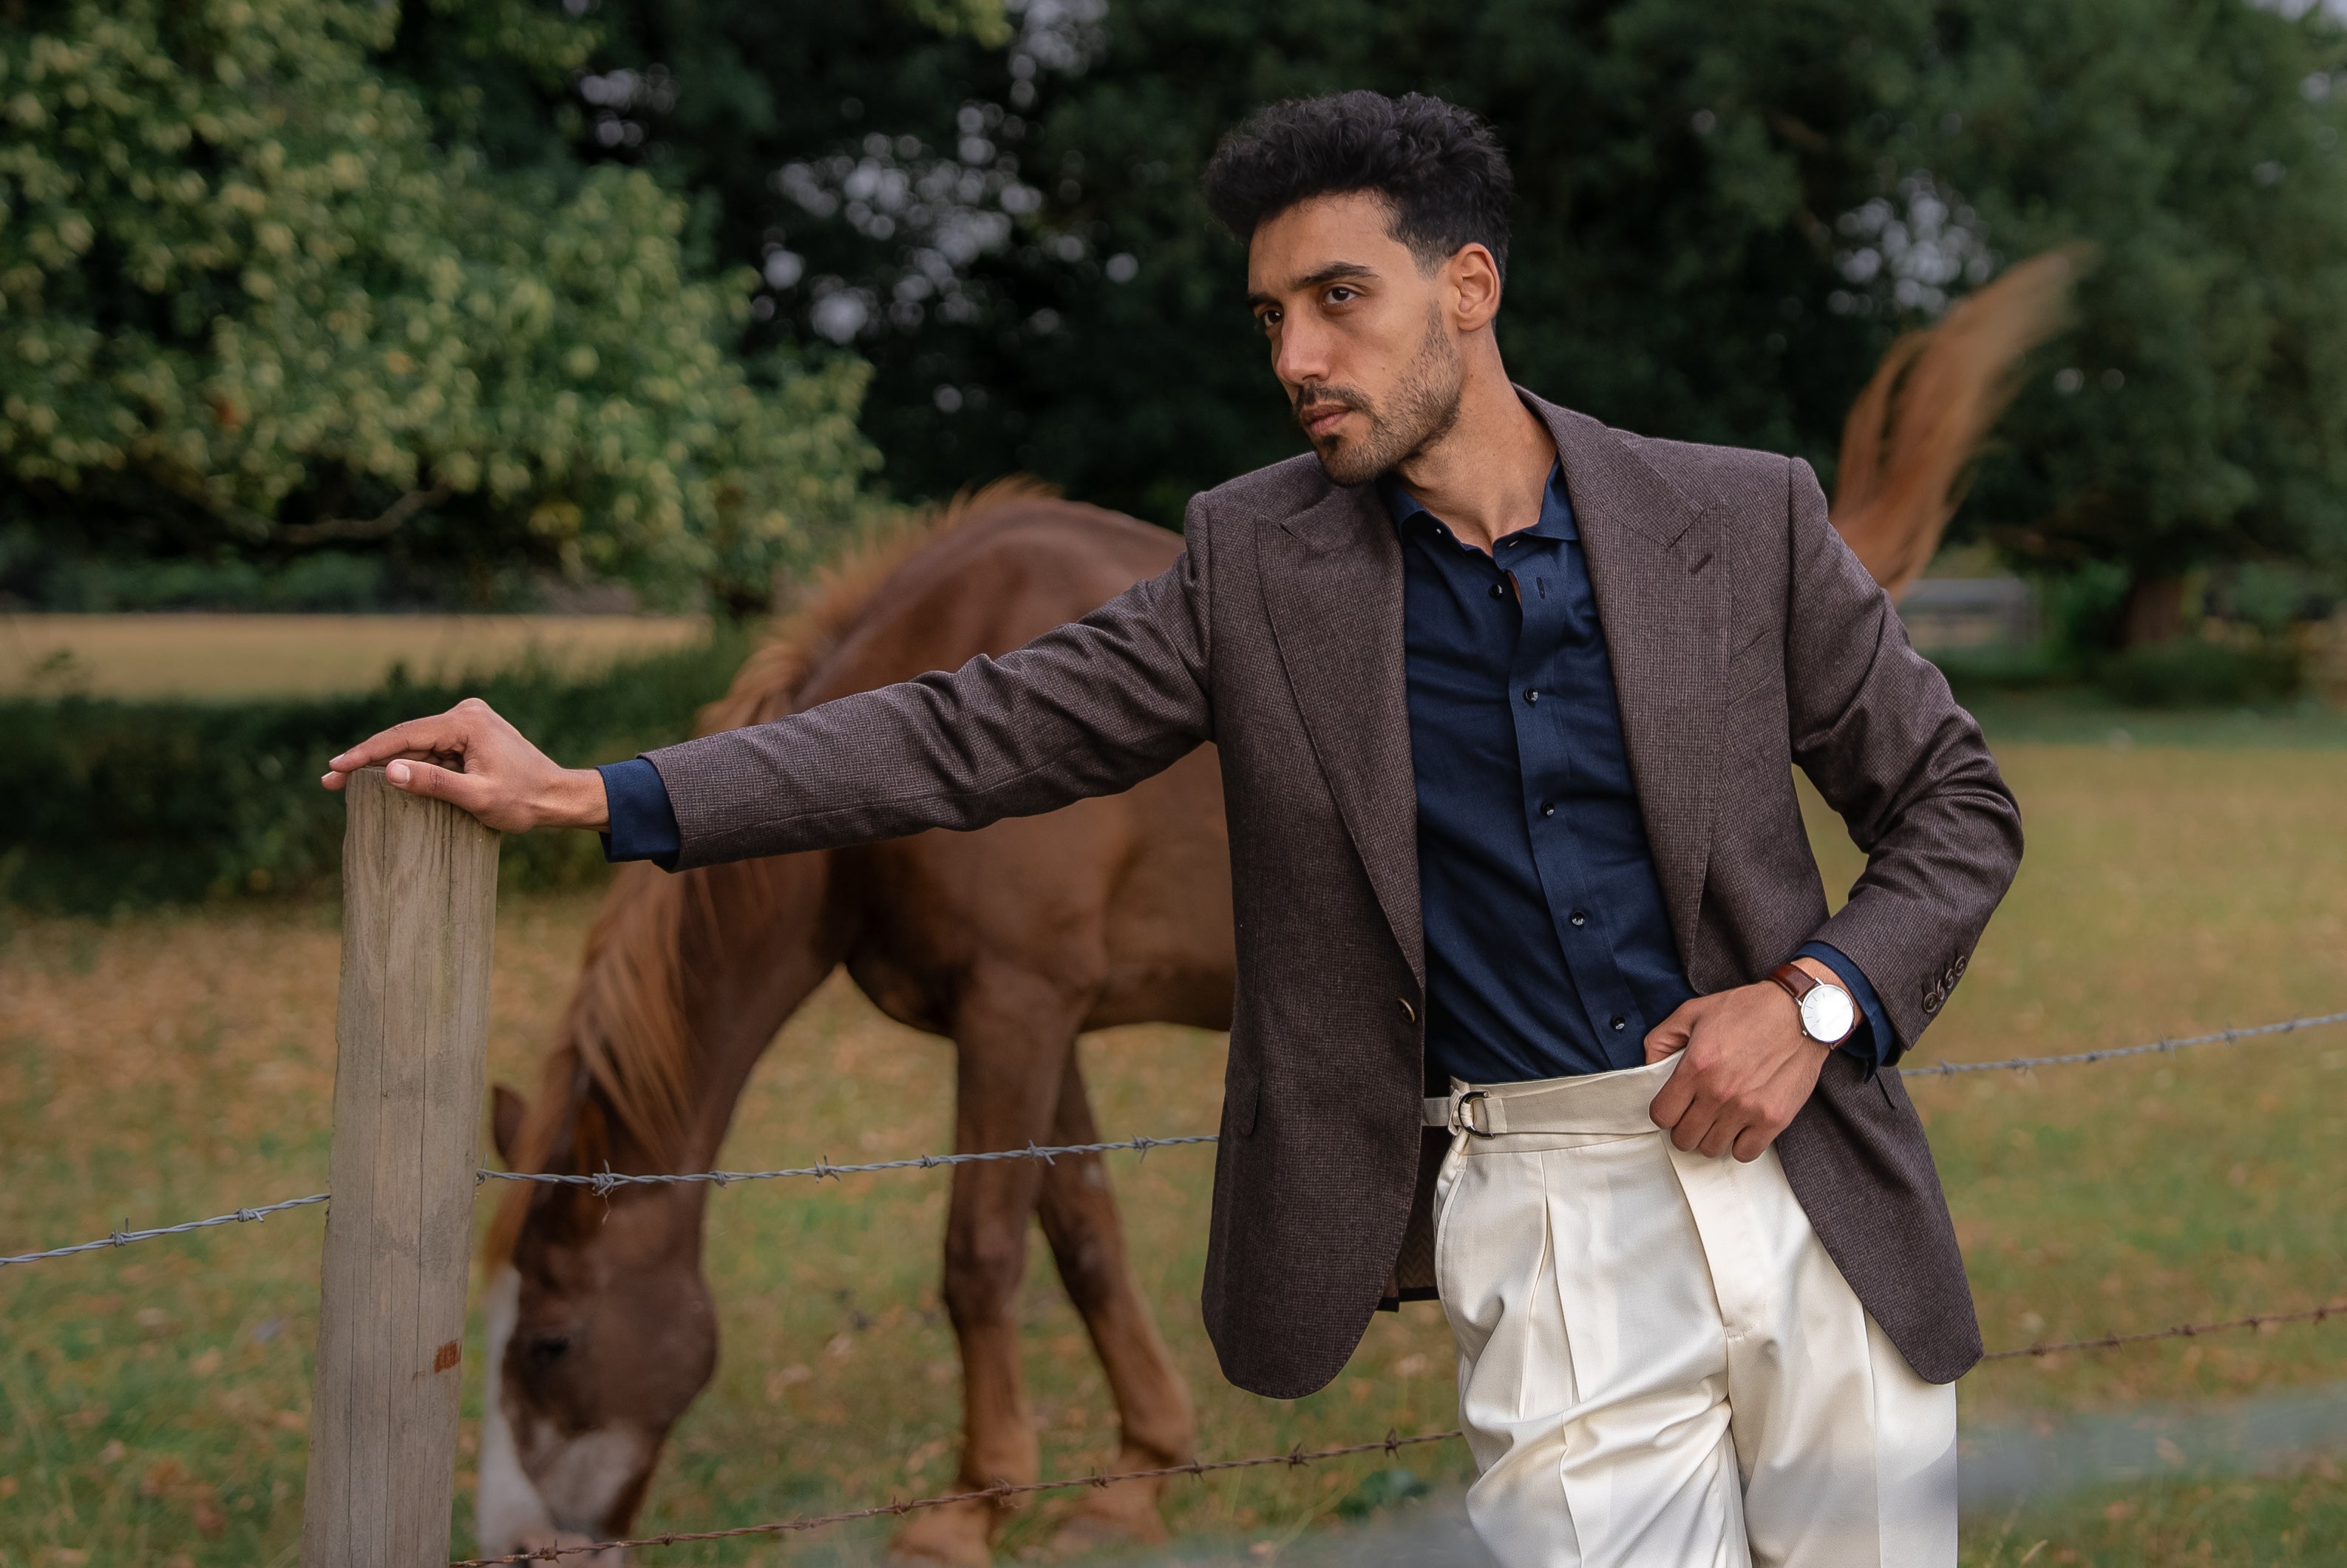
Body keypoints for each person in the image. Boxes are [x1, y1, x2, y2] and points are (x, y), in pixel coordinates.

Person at [325, 91, 2019, 1568]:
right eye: (1271, 314)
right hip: (1549, 1205)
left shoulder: (1737, 514)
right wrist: (602, 792)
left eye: (1338, 300)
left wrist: (1808, 1002)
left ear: (1470, 288)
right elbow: (965, 729)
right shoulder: (1255, 566)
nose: (1294, 356)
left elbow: (1954, 806)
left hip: (1813, 1172)